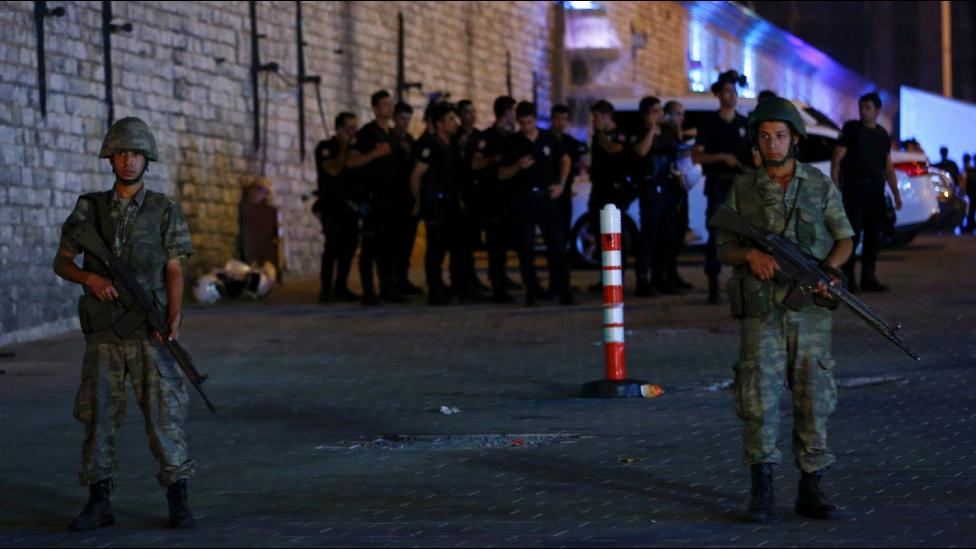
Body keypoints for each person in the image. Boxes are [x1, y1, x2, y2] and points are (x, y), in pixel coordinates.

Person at [52, 117, 197, 530]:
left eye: (135, 153)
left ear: (146, 158)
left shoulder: (164, 209)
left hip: (149, 332)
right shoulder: (89, 208)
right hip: (103, 334)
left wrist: (174, 314)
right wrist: (89, 278)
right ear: (110, 158)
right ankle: (99, 500)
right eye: (120, 153)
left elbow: (174, 266)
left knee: (164, 416)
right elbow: (62, 260)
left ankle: (178, 498)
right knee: (97, 417)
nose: (128, 161)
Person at [714, 98, 854, 523]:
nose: (772, 143)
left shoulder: (818, 185)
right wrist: (749, 258)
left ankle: (812, 487)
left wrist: (828, 270)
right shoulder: (742, 188)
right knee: (759, 397)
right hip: (761, 309)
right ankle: (762, 489)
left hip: (809, 310)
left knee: (814, 395)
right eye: (764, 136)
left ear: (794, 138)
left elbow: (845, 237)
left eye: (779, 135)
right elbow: (723, 246)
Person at [498, 101, 574, 306]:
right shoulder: (513, 142)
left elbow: (565, 159)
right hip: (524, 199)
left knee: (557, 245)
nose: (526, 127)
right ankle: (532, 292)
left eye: (529, 122)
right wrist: (517, 166)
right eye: (522, 123)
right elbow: (502, 174)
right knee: (526, 247)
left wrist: (561, 184)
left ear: (535, 120)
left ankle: (564, 291)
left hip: (546, 197)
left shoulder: (548, 138)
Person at [830, 92, 902, 293]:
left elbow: (888, 166)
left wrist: (896, 194)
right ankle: (849, 280)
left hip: (875, 189)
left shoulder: (882, 135)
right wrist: (836, 189)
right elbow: (837, 160)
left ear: (878, 111)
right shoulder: (852, 129)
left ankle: (869, 278)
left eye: (868, 108)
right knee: (851, 235)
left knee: (873, 236)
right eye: (861, 107)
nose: (863, 111)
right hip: (855, 188)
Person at [693, 70, 754, 304]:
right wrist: (721, 157)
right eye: (727, 92)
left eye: (734, 92)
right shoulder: (709, 124)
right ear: (719, 95)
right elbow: (697, 157)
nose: (732, 96)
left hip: (741, 186)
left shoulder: (744, 124)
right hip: (718, 184)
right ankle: (713, 284)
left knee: (746, 235)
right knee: (717, 235)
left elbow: (752, 156)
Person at [348, 90, 408, 305]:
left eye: (390, 104)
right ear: (374, 108)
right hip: (372, 198)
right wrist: (374, 154)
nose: (389, 108)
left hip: (391, 199)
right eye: (384, 105)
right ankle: (368, 290)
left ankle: (387, 286)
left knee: (388, 246)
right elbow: (351, 162)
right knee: (370, 246)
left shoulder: (393, 135)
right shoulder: (367, 134)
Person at [410, 102, 469, 305]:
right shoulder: (430, 145)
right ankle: (435, 288)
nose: (456, 123)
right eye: (451, 119)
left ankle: (454, 286)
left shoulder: (449, 146)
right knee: (436, 249)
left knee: (455, 246)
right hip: (436, 203)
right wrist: (418, 202)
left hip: (450, 203)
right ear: (439, 123)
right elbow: (416, 175)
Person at [470, 96, 520, 302]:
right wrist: (495, 159)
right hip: (492, 199)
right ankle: (498, 285)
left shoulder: (510, 137)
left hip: (508, 199)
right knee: (496, 244)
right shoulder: (489, 137)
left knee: (504, 243)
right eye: (513, 111)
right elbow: (475, 164)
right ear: (506, 112)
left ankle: (502, 277)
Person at [630, 96, 682, 296]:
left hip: (669, 187)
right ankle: (642, 281)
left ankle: (660, 278)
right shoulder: (640, 132)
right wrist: (651, 130)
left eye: (661, 110)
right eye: (655, 111)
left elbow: (676, 151)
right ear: (646, 114)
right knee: (649, 236)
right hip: (651, 189)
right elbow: (641, 152)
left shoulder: (668, 131)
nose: (660, 114)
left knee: (667, 235)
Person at [314, 112, 360, 303]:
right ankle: (326, 288)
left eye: (355, 128)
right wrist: (343, 148)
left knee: (349, 246)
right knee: (332, 246)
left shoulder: (355, 148)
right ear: (340, 129)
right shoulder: (326, 147)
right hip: (331, 205)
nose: (353, 132)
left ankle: (341, 285)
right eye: (350, 128)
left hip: (350, 205)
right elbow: (333, 169)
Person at [587, 99, 633, 293]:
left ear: (606, 116)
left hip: (615, 193)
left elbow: (615, 150)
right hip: (599, 190)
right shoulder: (599, 136)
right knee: (600, 237)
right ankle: (605, 278)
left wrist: (600, 135)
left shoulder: (619, 134)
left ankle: (617, 280)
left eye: (597, 117)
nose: (594, 121)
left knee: (615, 237)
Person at [391, 101, 423, 295]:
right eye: (401, 118)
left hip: (407, 199)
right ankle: (392, 280)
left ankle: (402, 278)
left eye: (407, 119)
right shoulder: (389, 139)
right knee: (394, 242)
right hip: (393, 200)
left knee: (406, 242)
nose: (404, 123)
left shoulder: (410, 140)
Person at [663, 100, 694, 290]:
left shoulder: (677, 134)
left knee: (678, 234)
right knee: (670, 236)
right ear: (669, 115)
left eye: (682, 114)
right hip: (670, 192)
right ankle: (667, 276)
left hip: (680, 191)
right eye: (678, 114)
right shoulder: (667, 134)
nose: (682, 118)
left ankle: (673, 275)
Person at [550, 103, 590, 237]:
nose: (560, 122)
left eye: (564, 118)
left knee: (564, 228)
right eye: (557, 118)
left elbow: (585, 160)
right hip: (547, 189)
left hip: (565, 191)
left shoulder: (571, 142)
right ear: (552, 119)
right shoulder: (543, 139)